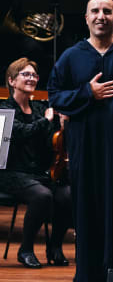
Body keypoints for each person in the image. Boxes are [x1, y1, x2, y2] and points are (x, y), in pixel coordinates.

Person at [47, 0, 113, 282]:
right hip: (87, 150)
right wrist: (87, 94)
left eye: (107, 11)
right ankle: (89, 276)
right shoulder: (72, 56)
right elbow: (55, 96)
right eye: (95, 10)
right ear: (86, 17)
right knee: (89, 214)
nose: (101, 16)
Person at [0, 58, 72, 269]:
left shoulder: (41, 109)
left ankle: (55, 247)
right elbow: (20, 133)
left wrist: (61, 123)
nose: (31, 78)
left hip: (37, 173)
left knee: (68, 194)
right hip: (11, 173)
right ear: (12, 81)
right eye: (25, 74)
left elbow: (50, 141)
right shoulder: (5, 108)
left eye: (34, 75)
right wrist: (46, 121)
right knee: (42, 195)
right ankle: (26, 249)